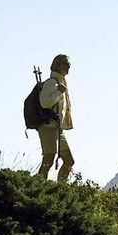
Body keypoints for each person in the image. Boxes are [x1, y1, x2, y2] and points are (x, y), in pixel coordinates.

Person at [37, 54, 75, 182]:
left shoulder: (60, 83)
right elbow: (44, 103)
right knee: (48, 159)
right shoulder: (52, 83)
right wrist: (59, 92)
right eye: (66, 64)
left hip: (57, 128)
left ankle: (59, 190)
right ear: (58, 65)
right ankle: (39, 188)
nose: (69, 67)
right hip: (48, 126)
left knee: (69, 161)